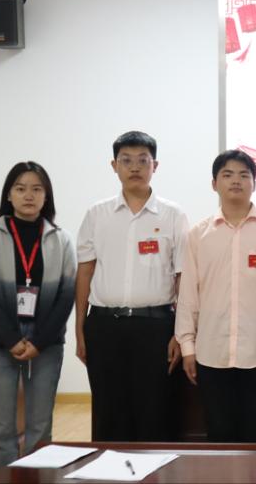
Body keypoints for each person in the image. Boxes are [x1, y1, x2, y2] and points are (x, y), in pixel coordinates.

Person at [75, 131, 189, 441]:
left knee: (155, 411)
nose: (134, 167)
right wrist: (80, 328)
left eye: (143, 160)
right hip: (104, 326)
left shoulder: (173, 215)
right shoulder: (97, 214)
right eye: (126, 160)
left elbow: (183, 278)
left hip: (156, 327)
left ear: (155, 166)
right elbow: (85, 272)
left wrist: (181, 334)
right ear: (114, 166)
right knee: (108, 411)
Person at [0, 162, 76, 476]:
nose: (29, 195)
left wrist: (39, 341)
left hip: (46, 344)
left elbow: (66, 296)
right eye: (20, 188)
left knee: (40, 429)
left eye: (37, 189)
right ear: (9, 195)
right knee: (1, 429)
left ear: (46, 196)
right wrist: (12, 339)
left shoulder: (60, 239)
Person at [175, 150, 256, 442]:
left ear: (255, 183)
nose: (236, 181)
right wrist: (187, 346)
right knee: (220, 436)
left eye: (244, 175)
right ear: (214, 184)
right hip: (212, 352)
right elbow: (188, 295)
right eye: (227, 174)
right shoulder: (198, 234)